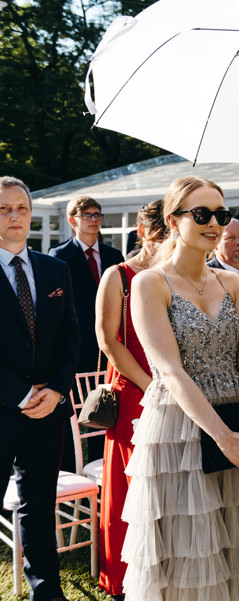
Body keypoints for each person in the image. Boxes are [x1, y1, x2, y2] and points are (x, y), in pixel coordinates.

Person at [120, 176, 239, 600]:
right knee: (187, 556)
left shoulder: (232, 283)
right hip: (179, 428)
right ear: (173, 220)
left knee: (237, 553)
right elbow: (169, 371)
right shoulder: (148, 284)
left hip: (237, 418)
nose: (215, 224)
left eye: (221, 215)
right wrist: (221, 435)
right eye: (202, 214)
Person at [1, 176, 80, 601]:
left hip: (48, 411)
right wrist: (20, 393)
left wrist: (57, 390)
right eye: (4, 209)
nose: (15, 216)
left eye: (22, 208)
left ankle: (48, 593)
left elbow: (72, 336)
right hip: (1, 408)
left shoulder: (55, 269)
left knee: (38, 507)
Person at [94, 200, 167, 599]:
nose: (166, 245)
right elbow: (107, 339)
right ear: (143, 233)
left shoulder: (173, 276)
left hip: (172, 390)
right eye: (160, 238)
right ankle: (127, 582)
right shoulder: (117, 275)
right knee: (130, 490)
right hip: (134, 391)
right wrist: (150, 386)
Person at [50, 195, 125, 470]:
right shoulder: (59, 257)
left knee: (103, 411)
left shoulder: (114, 257)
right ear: (73, 221)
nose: (94, 220)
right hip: (75, 347)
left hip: (110, 347)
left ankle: (101, 466)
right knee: (71, 418)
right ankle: (69, 473)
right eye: (87, 215)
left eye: (97, 215)